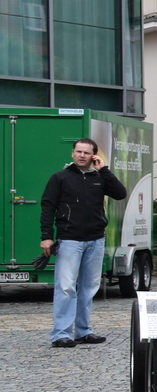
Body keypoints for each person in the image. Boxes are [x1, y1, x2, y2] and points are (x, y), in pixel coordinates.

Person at [40, 138, 127, 348]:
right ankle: (61, 333)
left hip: (95, 239)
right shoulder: (59, 178)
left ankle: (83, 330)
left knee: (89, 288)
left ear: (93, 156)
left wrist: (104, 170)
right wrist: (46, 236)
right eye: (78, 151)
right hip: (69, 239)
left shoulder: (99, 177)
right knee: (66, 287)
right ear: (72, 153)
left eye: (86, 153)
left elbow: (120, 193)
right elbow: (48, 207)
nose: (82, 155)